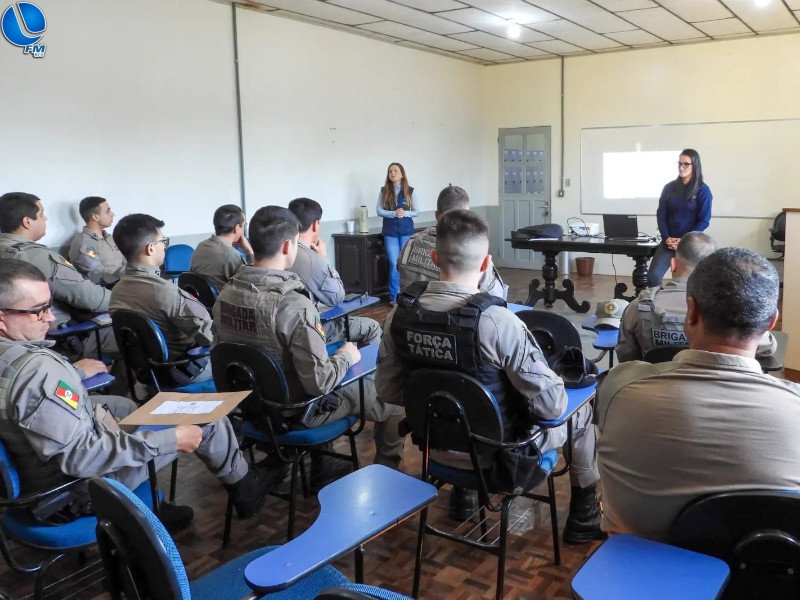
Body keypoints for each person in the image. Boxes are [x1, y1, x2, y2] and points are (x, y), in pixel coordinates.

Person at [375, 209, 603, 543]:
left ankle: (463, 495)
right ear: (486, 264)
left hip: (434, 450)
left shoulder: (400, 315)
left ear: (435, 258)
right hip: (502, 458)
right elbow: (553, 408)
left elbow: (388, 390)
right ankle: (584, 515)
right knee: (579, 412)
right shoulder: (499, 322)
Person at [0, 258, 280, 526]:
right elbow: (81, 458)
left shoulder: (18, 361)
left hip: (37, 474)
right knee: (209, 421)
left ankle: (148, 505)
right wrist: (171, 439)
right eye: (38, 310)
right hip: (74, 492)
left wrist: (75, 373)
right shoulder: (40, 372)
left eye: (48, 306)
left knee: (122, 406)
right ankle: (246, 490)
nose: (50, 317)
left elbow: (29, 395)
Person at [596, 247, 799, 541]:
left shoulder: (619, 387)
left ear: (691, 311)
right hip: (757, 566)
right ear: (770, 322)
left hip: (639, 563)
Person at [213, 206, 405, 480]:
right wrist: (346, 356)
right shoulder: (294, 305)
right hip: (299, 410)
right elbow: (320, 383)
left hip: (251, 409)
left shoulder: (225, 295)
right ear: (287, 246)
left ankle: (311, 462)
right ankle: (387, 476)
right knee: (393, 397)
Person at [617, 231, 776, 362]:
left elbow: (626, 357)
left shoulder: (637, 308)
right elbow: (767, 347)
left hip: (651, 387)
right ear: (714, 267)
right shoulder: (733, 310)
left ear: (673, 264)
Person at [0, 192, 115, 358]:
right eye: (42, 214)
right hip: (64, 337)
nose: (45, 218)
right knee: (138, 334)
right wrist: (129, 299)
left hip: (14, 342)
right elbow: (92, 298)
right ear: (27, 222)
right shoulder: (37, 257)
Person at [110, 214, 213, 385]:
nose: (165, 246)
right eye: (163, 241)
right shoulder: (166, 292)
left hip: (148, 374)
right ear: (150, 248)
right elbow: (211, 336)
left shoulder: (117, 290)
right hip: (184, 372)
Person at [287, 197, 380, 347]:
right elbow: (337, 297)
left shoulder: (280, 251)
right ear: (315, 225)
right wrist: (324, 259)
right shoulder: (314, 260)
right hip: (308, 331)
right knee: (371, 327)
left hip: (284, 327)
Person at [398, 184, 507, 299]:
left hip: (411, 309)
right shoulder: (475, 253)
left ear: (437, 215)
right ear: (468, 214)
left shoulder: (410, 244)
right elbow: (497, 297)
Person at [648, 149, 712, 287]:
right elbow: (661, 214)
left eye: (686, 164)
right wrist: (666, 237)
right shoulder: (669, 188)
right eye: (679, 163)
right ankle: (659, 299)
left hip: (690, 244)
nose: (681, 167)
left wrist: (684, 239)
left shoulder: (703, 190)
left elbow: (704, 220)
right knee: (653, 277)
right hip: (669, 242)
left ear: (695, 166)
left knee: (690, 281)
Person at [377, 162, 418, 303]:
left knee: (405, 264)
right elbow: (379, 210)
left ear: (402, 174)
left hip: (406, 231)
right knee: (394, 264)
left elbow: (416, 211)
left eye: (395, 170)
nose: (392, 173)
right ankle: (394, 297)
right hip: (390, 233)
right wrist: (393, 213)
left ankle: (407, 296)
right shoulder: (384, 191)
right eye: (390, 171)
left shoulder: (410, 191)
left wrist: (405, 213)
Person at [189, 204, 253, 290]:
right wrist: (250, 253)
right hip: (224, 298)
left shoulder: (200, 246)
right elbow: (252, 286)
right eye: (244, 224)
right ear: (237, 228)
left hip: (200, 298)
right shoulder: (233, 256)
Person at [68, 196, 126, 287]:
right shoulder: (84, 244)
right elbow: (98, 275)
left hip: (124, 282)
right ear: (95, 217)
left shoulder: (110, 238)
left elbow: (126, 261)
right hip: (107, 288)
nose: (112, 214)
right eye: (108, 211)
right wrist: (125, 273)